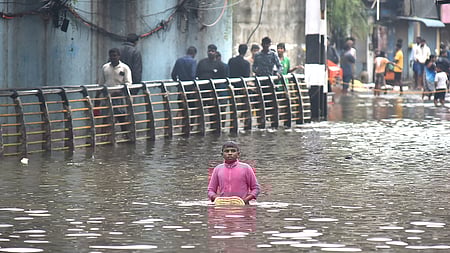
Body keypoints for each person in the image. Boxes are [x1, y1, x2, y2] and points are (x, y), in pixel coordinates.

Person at [98, 48, 132, 130]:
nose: (113, 58)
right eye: (111, 56)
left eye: (115, 56)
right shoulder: (105, 67)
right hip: (107, 96)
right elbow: (101, 84)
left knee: (121, 118)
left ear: (119, 56)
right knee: (106, 118)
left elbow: (128, 83)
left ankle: (126, 136)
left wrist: (118, 92)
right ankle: (105, 138)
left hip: (119, 97)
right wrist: (98, 98)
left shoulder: (124, 68)